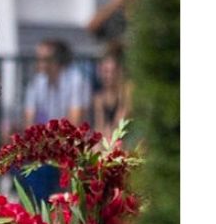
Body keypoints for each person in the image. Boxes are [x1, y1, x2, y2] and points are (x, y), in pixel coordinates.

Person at [20, 39, 91, 202]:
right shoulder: (37, 83)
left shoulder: (75, 80)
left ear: (57, 61)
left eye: (44, 59)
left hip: (71, 146)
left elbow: (74, 123)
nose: (39, 63)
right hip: (46, 146)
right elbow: (28, 123)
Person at [93, 40, 132, 138]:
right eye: (105, 71)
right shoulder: (99, 98)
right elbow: (99, 129)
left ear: (120, 71)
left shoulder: (127, 91)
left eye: (112, 71)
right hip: (111, 142)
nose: (108, 76)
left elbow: (120, 125)